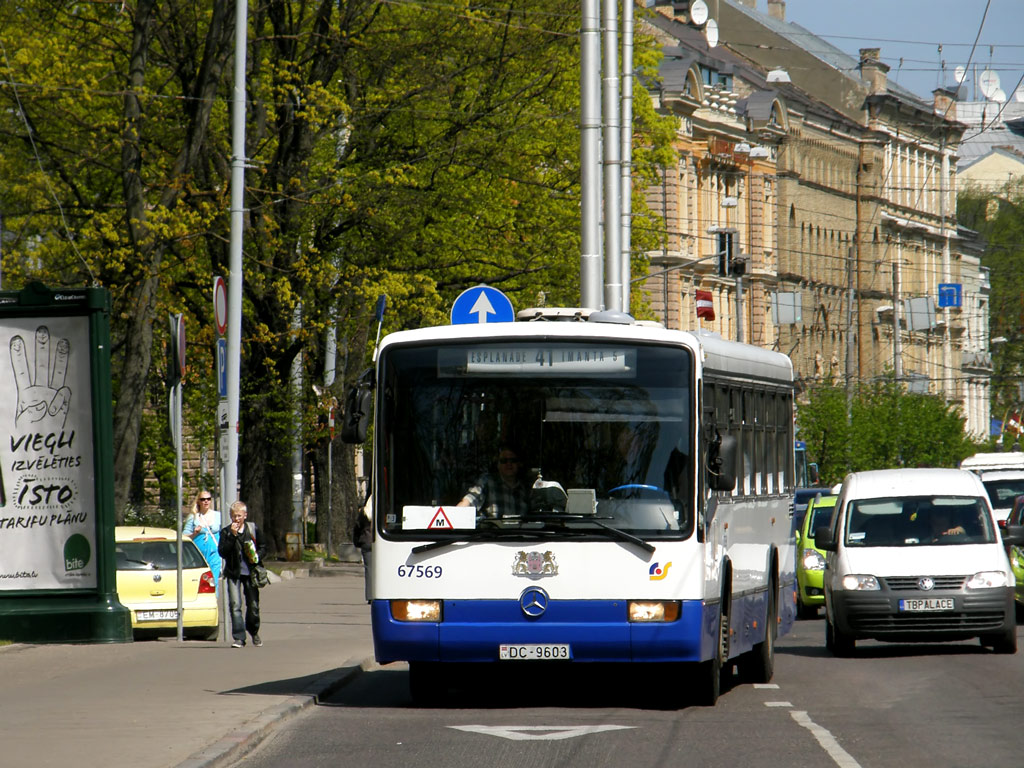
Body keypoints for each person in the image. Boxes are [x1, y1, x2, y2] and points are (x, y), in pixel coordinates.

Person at [218, 500, 266, 647]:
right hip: (234, 573)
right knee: (235, 604)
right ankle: (239, 637)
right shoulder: (226, 532)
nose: (236, 519)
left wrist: (257, 556)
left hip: (250, 573)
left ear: (245, 515)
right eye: (234, 516)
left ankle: (254, 631)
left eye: (239, 516)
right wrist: (232, 536)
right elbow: (223, 552)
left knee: (253, 606)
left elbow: (264, 547)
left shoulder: (253, 529)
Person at [457, 444, 529, 518]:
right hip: (492, 529)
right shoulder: (486, 482)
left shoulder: (526, 489)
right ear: (498, 464)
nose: (509, 464)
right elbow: (470, 501)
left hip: (520, 530)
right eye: (504, 461)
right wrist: (454, 517)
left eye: (513, 460)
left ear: (519, 464)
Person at [183, 489, 221, 589]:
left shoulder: (218, 516)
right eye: (203, 499)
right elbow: (184, 536)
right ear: (198, 501)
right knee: (200, 582)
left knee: (213, 581)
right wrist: (195, 533)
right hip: (198, 554)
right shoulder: (193, 517)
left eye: (208, 499)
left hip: (214, 554)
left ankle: (214, 602)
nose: (206, 501)